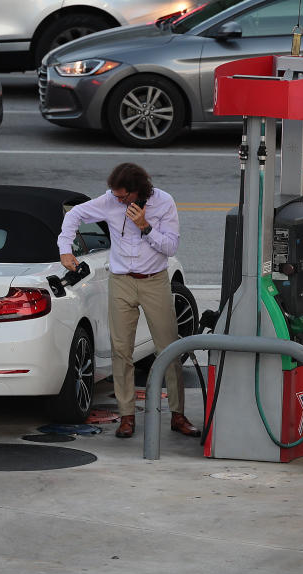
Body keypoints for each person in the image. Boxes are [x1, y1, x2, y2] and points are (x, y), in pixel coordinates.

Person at [57, 163, 199, 439]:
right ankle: (126, 416)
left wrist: (145, 226)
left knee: (168, 347)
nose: (118, 201)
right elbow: (74, 214)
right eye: (116, 196)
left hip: (155, 280)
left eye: (124, 197)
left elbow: (171, 247)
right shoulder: (110, 201)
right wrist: (65, 249)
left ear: (139, 192)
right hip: (121, 281)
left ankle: (178, 414)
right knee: (121, 350)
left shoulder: (164, 203)